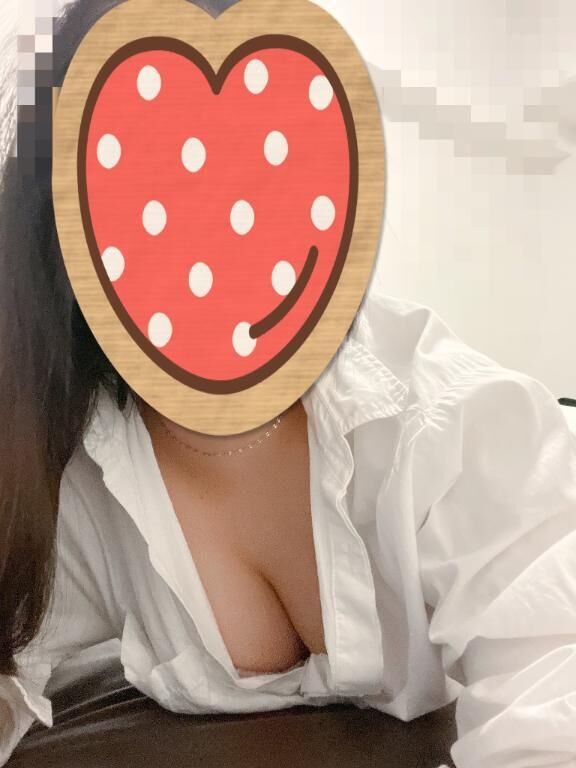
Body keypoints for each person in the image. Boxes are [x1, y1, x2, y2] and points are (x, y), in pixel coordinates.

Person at [1, 1, 576, 766]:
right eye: (156, 190)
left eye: (260, 176)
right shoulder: (79, 482)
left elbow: (555, 684)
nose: (215, 235)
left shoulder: (451, 427)